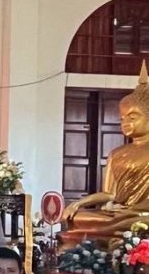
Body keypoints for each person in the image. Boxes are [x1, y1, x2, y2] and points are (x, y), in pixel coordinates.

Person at [61, 62, 149, 235]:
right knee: (78, 217)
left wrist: (136, 209)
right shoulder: (116, 154)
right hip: (120, 212)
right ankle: (115, 231)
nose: (125, 123)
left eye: (132, 117)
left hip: (141, 214)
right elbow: (109, 193)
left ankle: (116, 232)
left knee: (134, 221)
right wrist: (78, 203)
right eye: (122, 118)